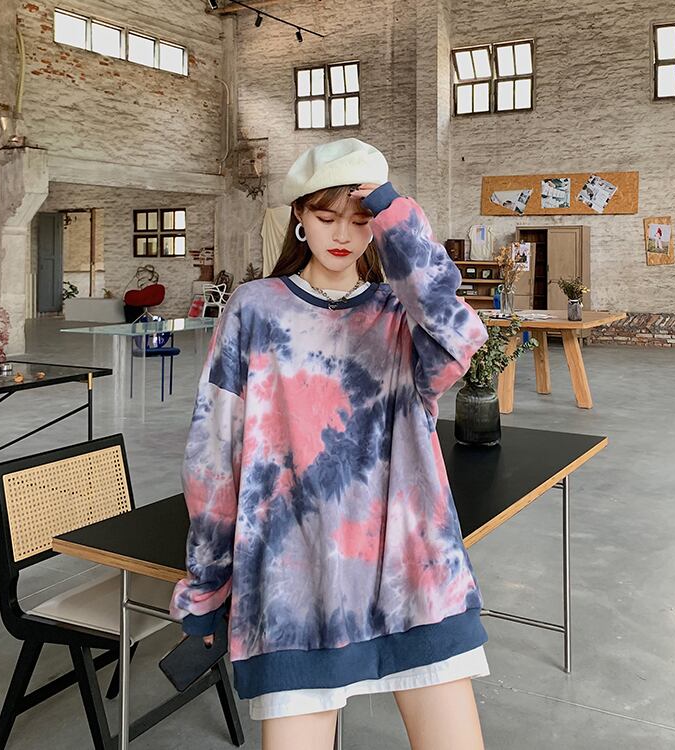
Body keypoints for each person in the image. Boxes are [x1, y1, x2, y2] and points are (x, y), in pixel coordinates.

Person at [170, 138, 490, 750]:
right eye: (325, 216)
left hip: (413, 573)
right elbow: (213, 454)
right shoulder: (255, 310)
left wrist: (397, 216)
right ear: (298, 214)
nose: (342, 234)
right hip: (294, 585)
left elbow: (459, 334)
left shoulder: (401, 315)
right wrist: (206, 585)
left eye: (361, 219)